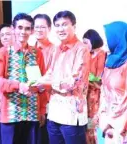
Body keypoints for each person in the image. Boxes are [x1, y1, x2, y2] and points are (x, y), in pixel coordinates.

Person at [35, 10, 90, 144]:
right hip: (54, 114)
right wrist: (36, 82)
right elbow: (50, 73)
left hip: (72, 116)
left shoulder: (81, 49)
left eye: (64, 25)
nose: (60, 29)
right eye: (57, 25)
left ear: (74, 27)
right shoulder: (56, 49)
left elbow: (75, 82)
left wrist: (48, 84)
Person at [0, 13, 47, 144]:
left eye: (27, 28)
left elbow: (42, 84)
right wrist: (18, 86)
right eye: (20, 27)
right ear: (13, 29)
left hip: (32, 113)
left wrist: (42, 109)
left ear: (32, 31)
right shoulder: (4, 52)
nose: (23, 32)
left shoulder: (37, 53)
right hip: (11, 114)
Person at [33, 13, 54, 144]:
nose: (39, 30)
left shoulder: (55, 50)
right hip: (30, 102)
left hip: (48, 103)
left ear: (49, 29)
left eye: (43, 27)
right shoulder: (29, 50)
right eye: (36, 27)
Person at [82, 29, 105, 144]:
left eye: (86, 42)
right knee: (83, 125)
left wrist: (88, 77)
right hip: (84, 94)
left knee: (91, 126)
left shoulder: (102, 54)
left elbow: (99, 78)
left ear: (93, 41)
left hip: (94, 96)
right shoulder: (86, 54)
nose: (84, 45)